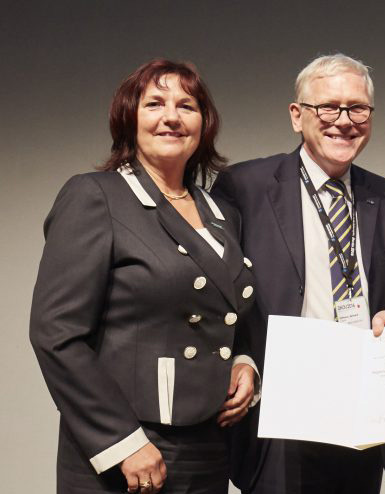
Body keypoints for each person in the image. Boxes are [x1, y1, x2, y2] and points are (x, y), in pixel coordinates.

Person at [212, 53, 385, 494]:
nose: (344, 121)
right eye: (328, 107)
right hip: (278, 418)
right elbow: (218, 296)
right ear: (297, 115)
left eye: (357, 108)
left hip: (362, 415)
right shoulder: (244, 187)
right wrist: (242, 359)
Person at [30, 59, 258, 494]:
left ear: (203, 124)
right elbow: (55, 333)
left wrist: (245, 363)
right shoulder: (96, 196)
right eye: (155, 103)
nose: (171, 116)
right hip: (131, 450)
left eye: (186, 106)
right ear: (128, 118)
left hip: (208, 444)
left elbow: (229, 311)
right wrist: (121, 441)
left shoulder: (219, 211)